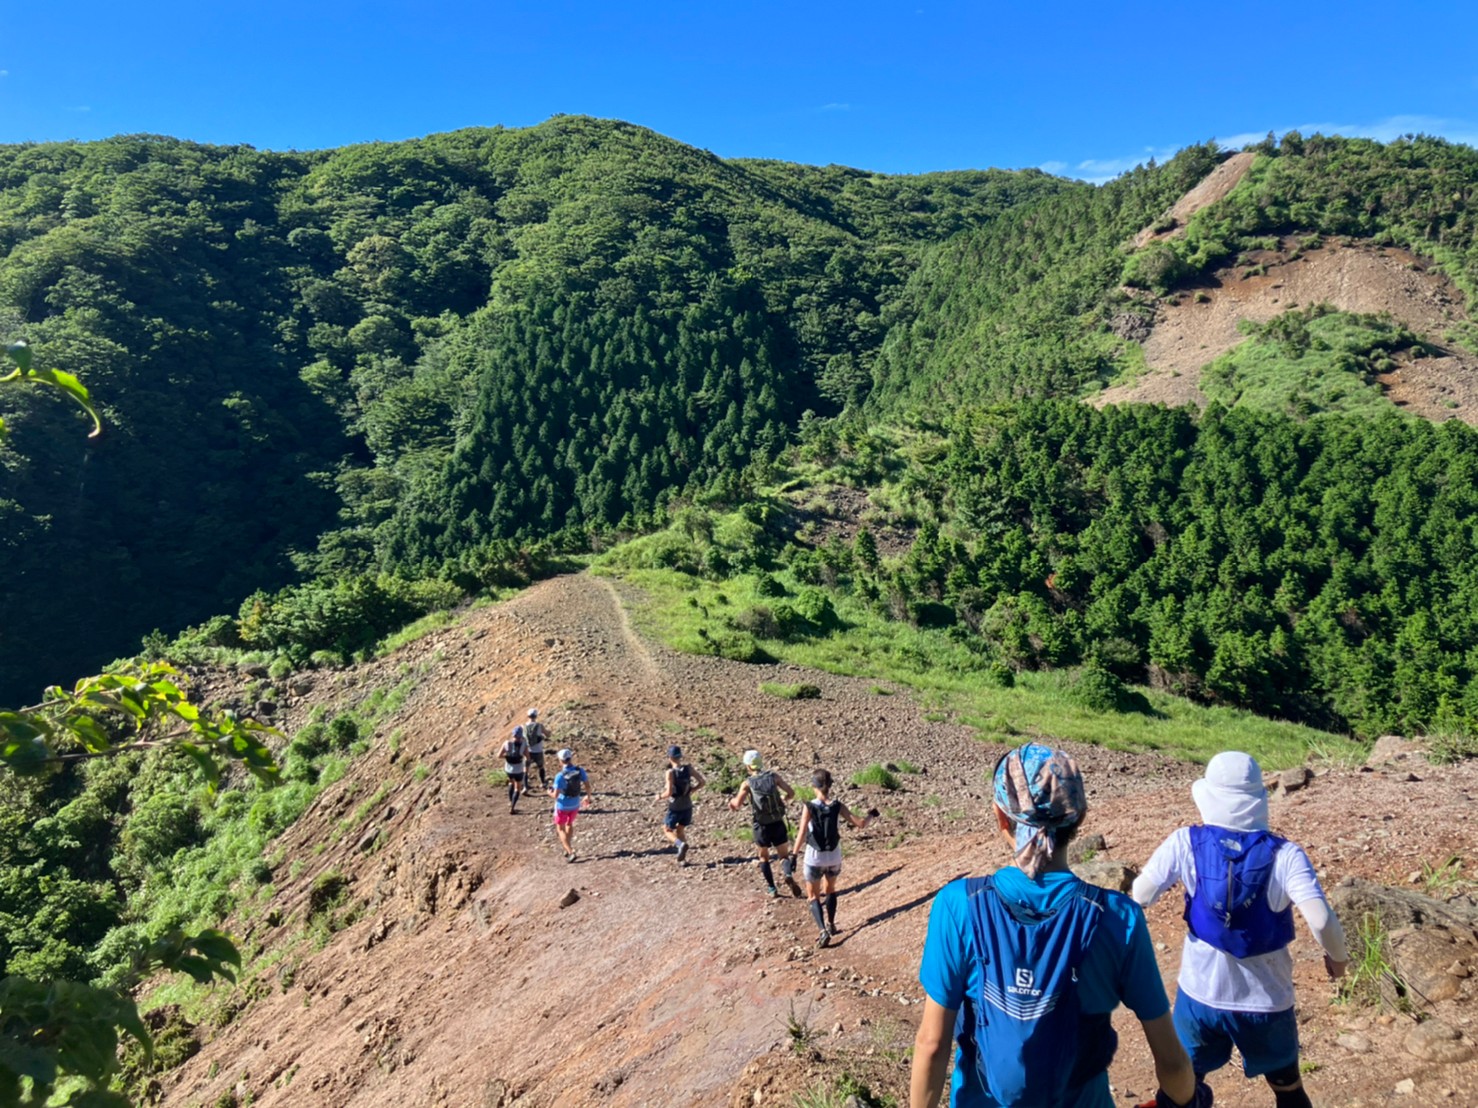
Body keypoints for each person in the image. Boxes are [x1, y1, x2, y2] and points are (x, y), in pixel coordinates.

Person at [910, 742, 1203, 1108]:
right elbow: (1172, 1063)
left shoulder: (958, 905)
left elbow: (932, 1045)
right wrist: (1187, 1099)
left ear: (1002, 818)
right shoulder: (1119, 916)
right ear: (1079, 819)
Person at [1132, 751, 1348, 1108]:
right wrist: (1337, 959)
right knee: (1288, 1089)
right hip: (1266, 1001)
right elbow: (1322, 919)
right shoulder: (1286, 854)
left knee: (1182, 1082)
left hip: (1199, 994)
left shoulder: (1186, 841)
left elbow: (1142, 894)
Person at [791, 768, 875, 947]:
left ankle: (822, 930)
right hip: (834, 856)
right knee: (830, 890)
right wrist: (871, 815)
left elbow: (802, 832)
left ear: (814, 786)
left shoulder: (809, 806)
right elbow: (860, 824)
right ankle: (831, 924)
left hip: (814, 857)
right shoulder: (838, 806)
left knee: (813, 895)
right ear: (829, 786)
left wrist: (793, 854)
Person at [727, 750, 802, 898]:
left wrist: (731, 803)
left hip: (761, 825)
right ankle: (787, 873)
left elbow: (738, 803)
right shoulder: (774, 777)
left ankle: (772, 888)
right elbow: (791, 793)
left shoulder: (747, 783)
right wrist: (784, 799)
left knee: (763, 857)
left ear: (748, 766)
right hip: (777, 821)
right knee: (783, 856)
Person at [655, 744, 706, 864]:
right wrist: (693, 789)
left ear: (669, 757)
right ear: (680, 756)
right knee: (680, 830)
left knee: (667, 829)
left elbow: (669, 792)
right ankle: (683, 859)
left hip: (675, 806)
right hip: (687, 805)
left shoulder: (670, 772)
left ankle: (680, 844)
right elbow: (702, 781)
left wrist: (659, 796)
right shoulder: (688, 769)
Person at [548, 747, 592, 862]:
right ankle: (567, 847)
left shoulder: (560, 776)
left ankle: (571, 851)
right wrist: (588, 796)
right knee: (569, 824)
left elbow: (556, 795)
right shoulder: (579, 770)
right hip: (575, 803)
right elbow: (587, 785)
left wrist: (549, 793)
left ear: (560, 760)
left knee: (560, 828)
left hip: (562, 805)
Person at [499, 725, 528, 814]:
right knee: (518, 787)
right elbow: (528, 757)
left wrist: (507, 756)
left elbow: (499, 756)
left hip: (508, 769)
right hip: (518, 769)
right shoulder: (523, 744)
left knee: (511, 782)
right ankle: (512, 807)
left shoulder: (506, 743)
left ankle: (510, 801)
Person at [524, 708, 549, 789]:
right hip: (538, 750)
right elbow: (547, 734)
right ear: (536, 716)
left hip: (528, 751)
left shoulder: (523, 726)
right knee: (541, 767)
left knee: (526, 769)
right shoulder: (539, 726)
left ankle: (525, 785)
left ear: (528, 716)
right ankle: (543, 783)